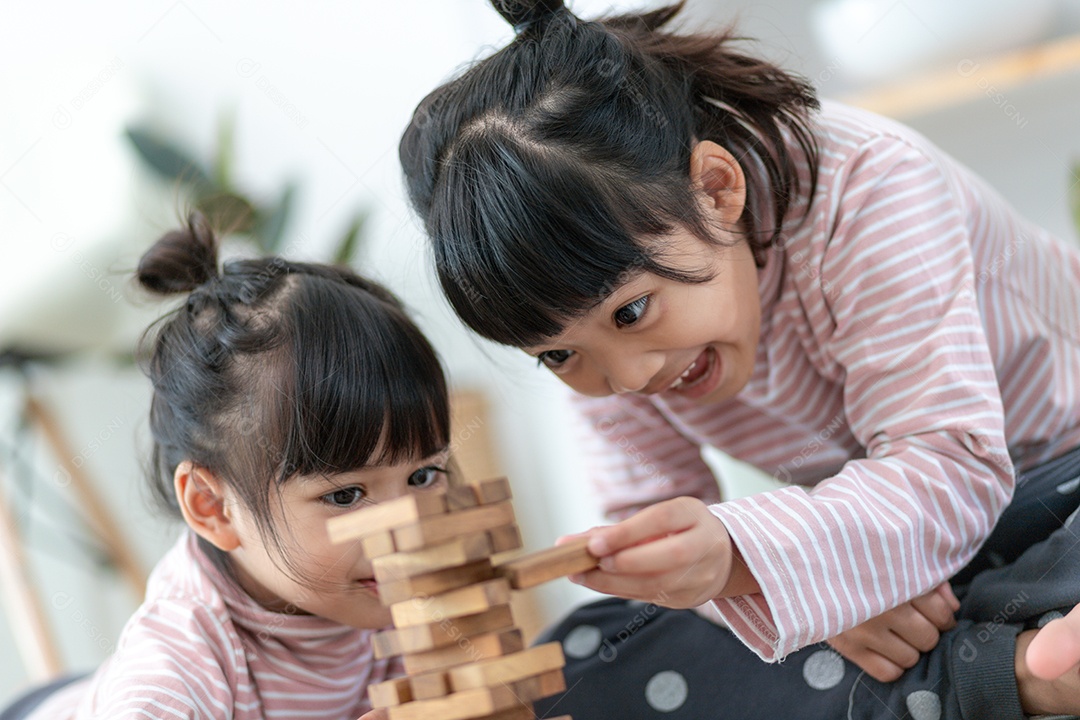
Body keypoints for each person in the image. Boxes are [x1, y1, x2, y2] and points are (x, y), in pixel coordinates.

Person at [398, 0, 1080, 716]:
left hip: (1043, 488)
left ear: (717, 189)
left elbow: (951, 468)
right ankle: (1014, 673)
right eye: (559, 355)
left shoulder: (872, 185)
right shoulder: (596, 323)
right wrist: (782, 584)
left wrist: (758, 565)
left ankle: (995, 673)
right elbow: (651, 523)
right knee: (587, 657)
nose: (629, 379)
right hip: (896, 539)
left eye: (633, 311)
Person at [24, 212, 450, 719]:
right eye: (345, 495)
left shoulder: (406, 591)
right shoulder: (176, 666)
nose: (410, 528)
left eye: (423, 476)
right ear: (214, 508)